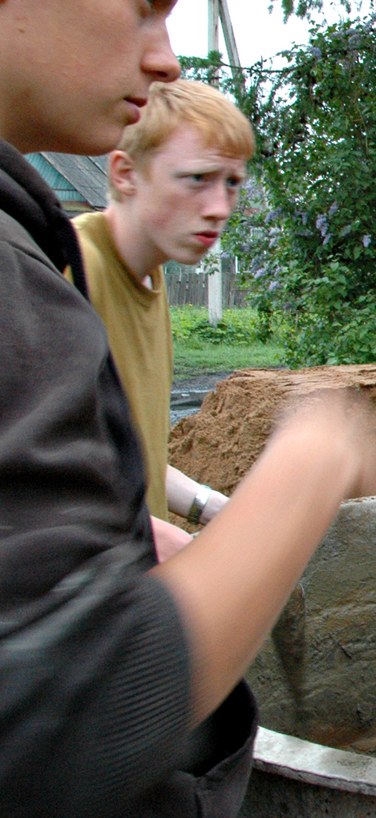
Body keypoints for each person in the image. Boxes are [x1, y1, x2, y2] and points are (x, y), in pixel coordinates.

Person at [0, 0, 376, 818]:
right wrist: (306, 469)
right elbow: (66, 711)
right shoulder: (41, 278)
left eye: (231, 186)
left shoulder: (108, 277)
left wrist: (167, 526)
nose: (167, 52)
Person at [74, 79, 251, 536]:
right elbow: (30, 483)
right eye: (198, 179)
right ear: (125, 174)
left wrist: (213, 508)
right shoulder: (71, 270)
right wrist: (150, 542)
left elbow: (135, 455)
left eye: (232, 183)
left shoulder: (152, 274)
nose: (219, 208)